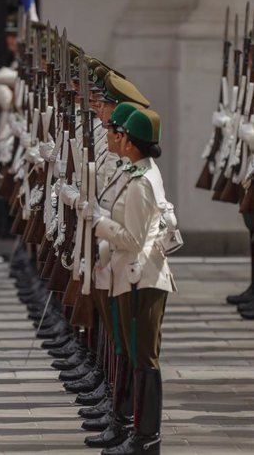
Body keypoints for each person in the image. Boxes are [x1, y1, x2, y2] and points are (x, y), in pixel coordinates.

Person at [82, 107, 176, 454]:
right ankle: (131, 428)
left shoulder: (141, 184)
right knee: (133, 354)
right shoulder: (136, 172)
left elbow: (135, 239)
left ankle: (146, 438)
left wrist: (99, 224)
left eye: (117, 133)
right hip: (129, 275)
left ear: (131, 143)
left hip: (141, 279)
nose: (111, 136)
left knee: (143, 359)